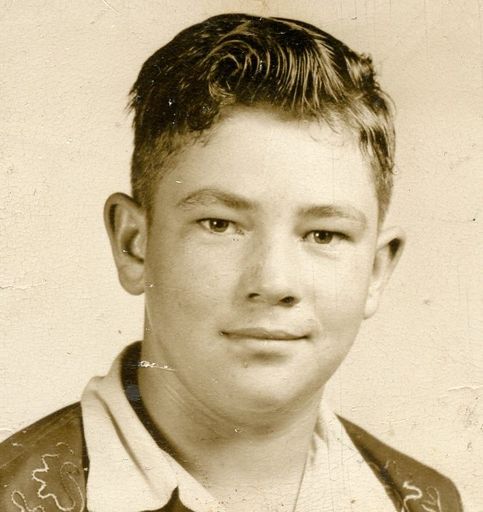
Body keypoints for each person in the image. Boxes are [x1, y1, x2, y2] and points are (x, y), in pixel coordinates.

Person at [0, 13, 463, 512]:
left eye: (324, 234)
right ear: (134, 244)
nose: (274, 281)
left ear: (376, 271)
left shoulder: (426, 502)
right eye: (219, 224)